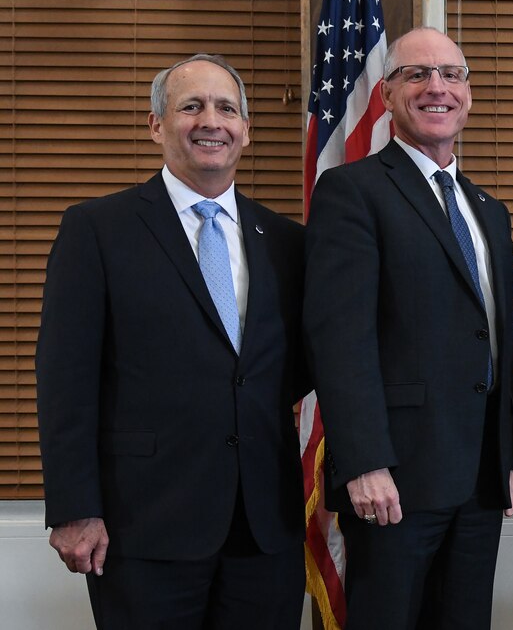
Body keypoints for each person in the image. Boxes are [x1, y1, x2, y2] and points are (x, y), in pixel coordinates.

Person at [35, 54, 309, 628]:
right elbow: (66, 380)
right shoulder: (97, 230)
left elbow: (300, 367)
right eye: (192, 106)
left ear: (246, 131)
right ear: (157, 125)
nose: (212, 120)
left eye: (227, 108)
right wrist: (74, 509)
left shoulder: (288, 241)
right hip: (143, 525)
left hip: (264, 527)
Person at [303, 27, 513, 629]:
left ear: (468, 92)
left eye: (451, 75)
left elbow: (498, 342)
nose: (437, 87)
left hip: (480, 480)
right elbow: (340, 337)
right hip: (395, 480)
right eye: (416, 74)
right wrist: (363, 463)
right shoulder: (352, 191)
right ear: (385, 94)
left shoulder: (490, 211)